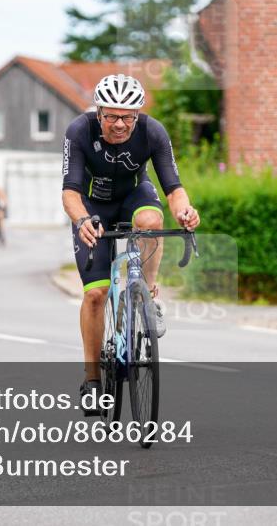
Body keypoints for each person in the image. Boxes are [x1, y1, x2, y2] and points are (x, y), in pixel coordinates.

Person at [61, 74, 200, 413]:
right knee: (96, 293)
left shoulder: (153, 132)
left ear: (137, 115)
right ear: (99, 113)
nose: (120, 124)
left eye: (128, 117)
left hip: (133, 196)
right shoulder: (79, 131)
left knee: (152, 222)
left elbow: (173, 187)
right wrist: (81, 221)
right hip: (93, 207)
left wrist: (185, 211)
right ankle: (93, 379)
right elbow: (70, 192)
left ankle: (149, 295)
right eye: (112, 116)